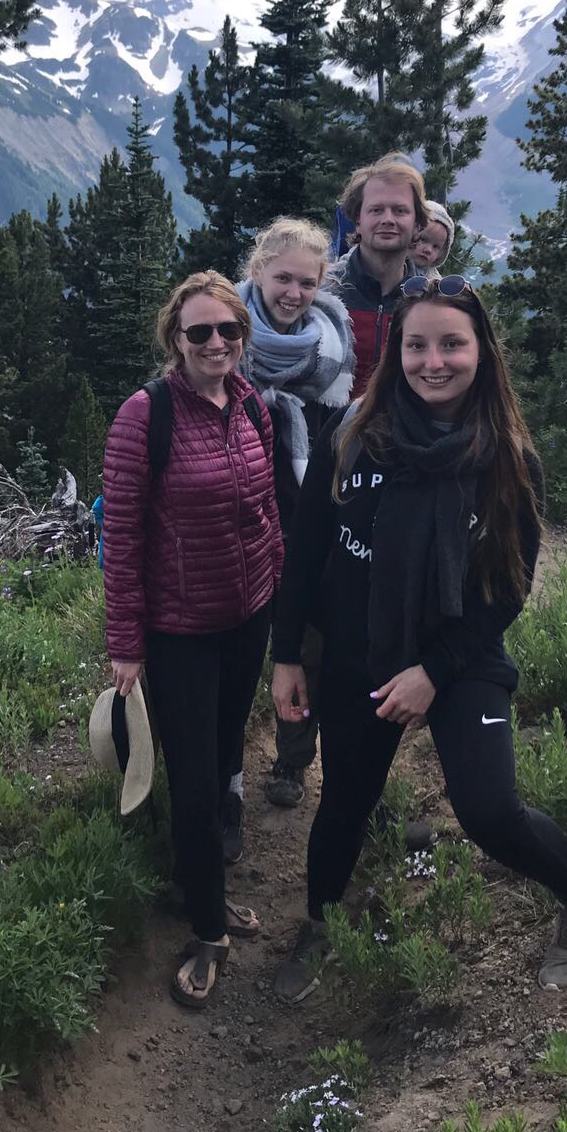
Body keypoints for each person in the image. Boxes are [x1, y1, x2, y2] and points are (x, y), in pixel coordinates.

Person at [269, 274, 567, 1002]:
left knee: (489, 812)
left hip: (459, 653)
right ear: (397, 351)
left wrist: (433, 671)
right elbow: (306, 553)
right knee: (345, 802)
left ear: (482, 351)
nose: (433, 362)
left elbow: (507, 591)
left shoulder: (507, 461)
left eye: (452, 344)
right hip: (358, 649)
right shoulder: (352, 436)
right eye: (416, 345)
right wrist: (287, 653)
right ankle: (321, 924)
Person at [102, 272, 283, 1008]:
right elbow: (121, 537)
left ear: (243, 336)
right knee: (197, 779)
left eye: (227, 330)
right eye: (199, 331)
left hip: (248, 617)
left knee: (223, 753)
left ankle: (199, 882)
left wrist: (278, 586)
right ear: (175, 339)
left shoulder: (249, 404)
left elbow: (267, 510)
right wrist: (126, 644)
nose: (215, 342)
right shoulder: (145, 415)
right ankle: (207, 927)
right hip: (180, 632)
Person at [217, 217, 355, 836]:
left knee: (308, 647)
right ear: (257, 272)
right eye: (283, 279)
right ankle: (222, 775)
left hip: (310, 525)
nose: (294, 292)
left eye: (307, 281)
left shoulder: (334, 349)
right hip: (238, 530)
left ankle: (293, 760)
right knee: (237, 653)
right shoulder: (221, 341)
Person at [325, 155, 429, 395]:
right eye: (376, 210)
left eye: (400, 210)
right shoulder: (324, 291)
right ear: (358, 220)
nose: (388, 219)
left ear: (417, 223)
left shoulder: (429, 300)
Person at [412, 199, 457, 279]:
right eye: (423, 240)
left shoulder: (434, 280)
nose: (428, 250)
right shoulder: (391, 262)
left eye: (435, 246)